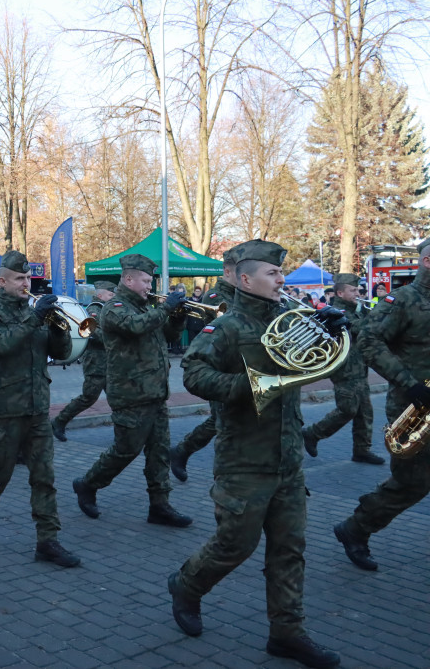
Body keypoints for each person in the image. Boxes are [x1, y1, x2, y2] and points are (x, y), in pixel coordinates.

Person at [170, 240, 344, 669]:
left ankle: (287, 633)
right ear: (245, 279)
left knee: (290, 550)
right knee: (235, 545)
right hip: (244, 459)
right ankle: (187, 586)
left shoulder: (291, 318)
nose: (281, 279)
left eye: (281, 273)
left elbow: (323, 365)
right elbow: (193, 373)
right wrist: (249, 386)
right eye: (272, 273)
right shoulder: (226, 327)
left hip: (287, 458)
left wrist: (331, 330)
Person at [0, 251, 79, 567]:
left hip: (37, 409)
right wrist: (35, 318)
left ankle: (48, 541)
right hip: (5, 410)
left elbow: (62, 352)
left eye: (28, 278)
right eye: (19, 278)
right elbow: (2, 344)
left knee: (44, 477)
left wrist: (58, 328)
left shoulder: (35, 314)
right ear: (2, 282)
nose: (26, 283)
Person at [72, 254, 192, 527]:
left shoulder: (147, 306)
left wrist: (177, 318)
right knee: (126, 450)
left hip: (155, 391)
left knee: (159, 452)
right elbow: (135, 328)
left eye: (151, 281)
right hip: (130, 393)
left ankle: (160, 506)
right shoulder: (114, 307)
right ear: (128, 279)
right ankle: (88, 483)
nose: (151, 286)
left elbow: (170, 337)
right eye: (146, 281)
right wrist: (164, 310)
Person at [334, 237, 430, 572]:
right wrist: (408, 382)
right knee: (411, 483)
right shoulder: (404, 299)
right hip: (413, 406)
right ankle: (355, 528)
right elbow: (368, 340)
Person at [169, 244, 245, 481]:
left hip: (242, 368)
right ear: (227, 272)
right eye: (240, 273)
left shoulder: (245, 295)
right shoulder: (215, 298)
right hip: (218, 369)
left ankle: (182, 451)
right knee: (223, 421)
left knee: (224, 420)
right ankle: (188, 454)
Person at [301, 273, 383, 464]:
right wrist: (379, 313)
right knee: (347, 409)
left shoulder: (356, 309)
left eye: (358, 290)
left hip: (359, 366)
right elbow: (358, 328)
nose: (358, 293)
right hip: (345, 369)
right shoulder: (335, 311)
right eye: (353, 290)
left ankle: (362, 450)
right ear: (340, 292)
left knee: (365, 411)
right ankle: (313, 434)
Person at [50, 281, 116, 442]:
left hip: (109, 362)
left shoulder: (107, 309)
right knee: (89, 397)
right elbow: (90, 331)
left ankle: (124, 432)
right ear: (100, 295)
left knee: (117, 398)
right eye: (110, 294)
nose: (113, 297)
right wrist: (115, 338)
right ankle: (59, 421)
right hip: (96, 362)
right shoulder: (94, 309)